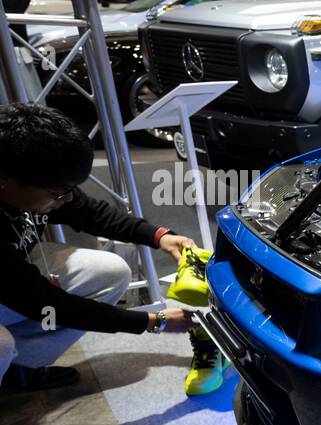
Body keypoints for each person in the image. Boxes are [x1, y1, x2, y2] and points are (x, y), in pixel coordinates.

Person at [0, 105, 200, 393]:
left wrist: (159, 236)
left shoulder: (37, 177)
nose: (66, 198)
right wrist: (154, 322)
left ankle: (19, 368)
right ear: (4, 179)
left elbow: (90, 213)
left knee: (111, 272)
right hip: (12, 278)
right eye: (58, 193)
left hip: (16, 274)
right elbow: (49, 304)